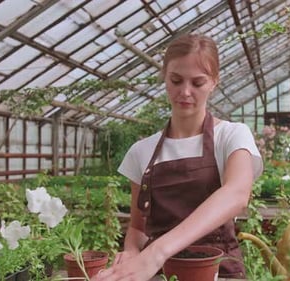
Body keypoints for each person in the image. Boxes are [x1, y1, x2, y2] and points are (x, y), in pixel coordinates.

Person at [93, 33, 263, 281]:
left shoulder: (231, 136)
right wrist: (131, 252)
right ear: (165, 77)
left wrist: (156, 252)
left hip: (219, 273)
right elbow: (138, 227)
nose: (185, 92)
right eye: (175, 80)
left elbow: (237, 193)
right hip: (160, 275)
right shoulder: (142, 151)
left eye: (198, 83)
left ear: (214, 82)